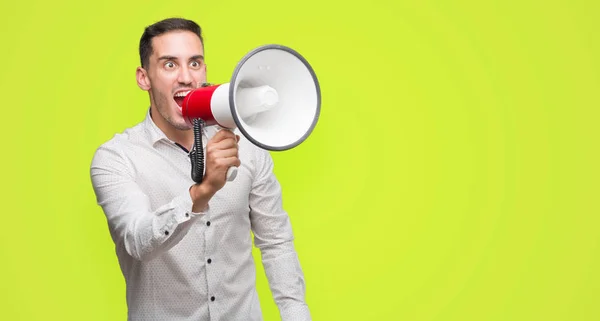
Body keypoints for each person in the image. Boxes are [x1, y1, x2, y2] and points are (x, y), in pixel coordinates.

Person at [90, 17, 310, 321]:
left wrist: (296, 313)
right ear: (144, 78)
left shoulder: (246, 145)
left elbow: (276, 241)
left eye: (195, 63)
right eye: (169, 65)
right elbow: (138, 241)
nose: (185, 77)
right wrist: (202, 192)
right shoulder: (116, 158)